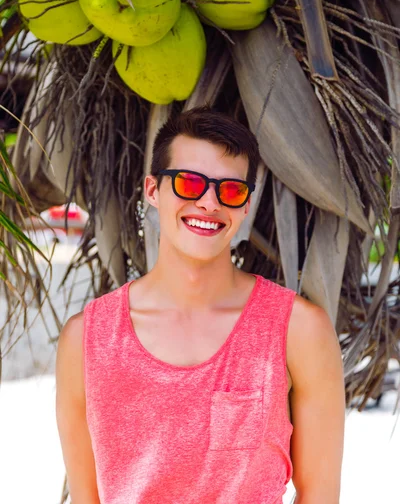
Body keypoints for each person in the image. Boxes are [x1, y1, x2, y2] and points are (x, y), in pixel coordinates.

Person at [56, 106, 345, 504]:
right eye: (189, 183)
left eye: (229, 190)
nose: (209, 203)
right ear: (153, 190)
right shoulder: (87, 339)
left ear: (245, 206)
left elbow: (320, 495)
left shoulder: (298, 329)